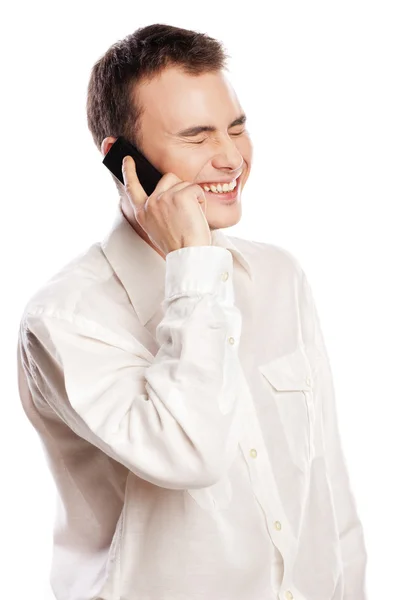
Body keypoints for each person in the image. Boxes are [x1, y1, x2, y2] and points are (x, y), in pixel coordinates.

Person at [17, 23, 368, 600]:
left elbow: (327, 493)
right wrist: (195, 271)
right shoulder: (63, 319)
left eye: (237, 127)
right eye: (197, 136)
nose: (231, 158)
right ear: (122, 161)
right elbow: (191, 454)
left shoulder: (280, 278)